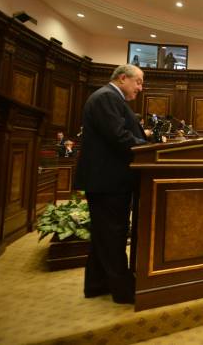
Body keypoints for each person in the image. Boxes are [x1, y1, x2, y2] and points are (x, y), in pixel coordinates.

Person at [75, 64, 148, 304]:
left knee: (104, 235)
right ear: (123, 78)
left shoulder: (109, 98)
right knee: (113, 235)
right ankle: (123, 290)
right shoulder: (106, 97)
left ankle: (96, 284)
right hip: (108, 181)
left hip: (107, 180)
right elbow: (119, 137)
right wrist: (148, 147)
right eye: (138, 82)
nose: (140, 88)